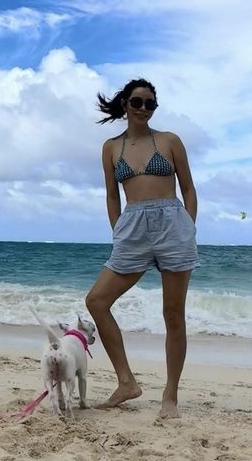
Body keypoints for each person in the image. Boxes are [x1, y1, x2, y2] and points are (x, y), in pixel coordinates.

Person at [85, 78, 198, 419]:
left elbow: (189, 188)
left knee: (173, 314)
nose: (144, 109)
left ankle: (171, 396)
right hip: (132, 228)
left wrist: (188, 227)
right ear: (125, 104)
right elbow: (110, 194)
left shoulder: (169, 140)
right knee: (97, 301)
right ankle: (126, 382)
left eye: (150, 104)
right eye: (138, 102)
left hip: (172, 225)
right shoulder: (110, 147)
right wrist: (118, 230)